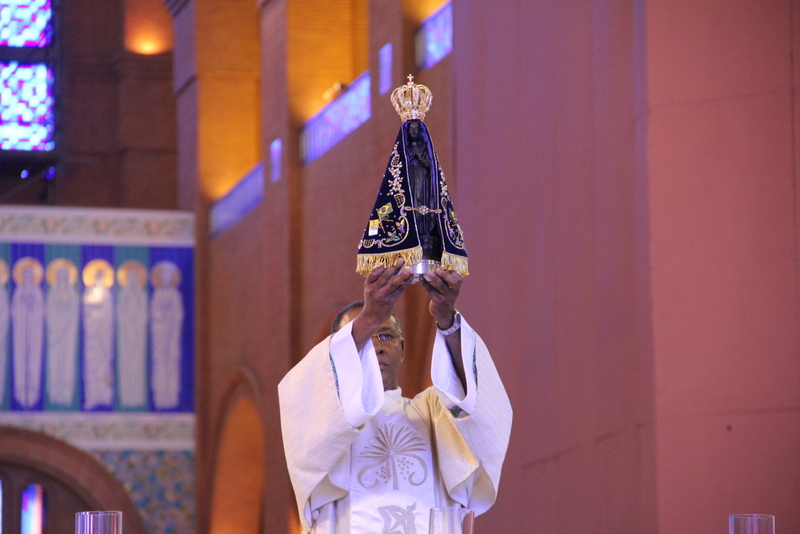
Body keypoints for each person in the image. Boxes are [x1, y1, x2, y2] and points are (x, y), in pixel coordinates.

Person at [279, 260, 512, 534]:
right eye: (366, 336)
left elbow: (477, 406)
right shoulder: (322, 418)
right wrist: (369, 315)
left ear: (402, 349)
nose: (377, 348)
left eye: (386, 336)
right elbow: (302, 391)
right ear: (337, 356)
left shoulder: (432, 415)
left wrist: (447, 319)